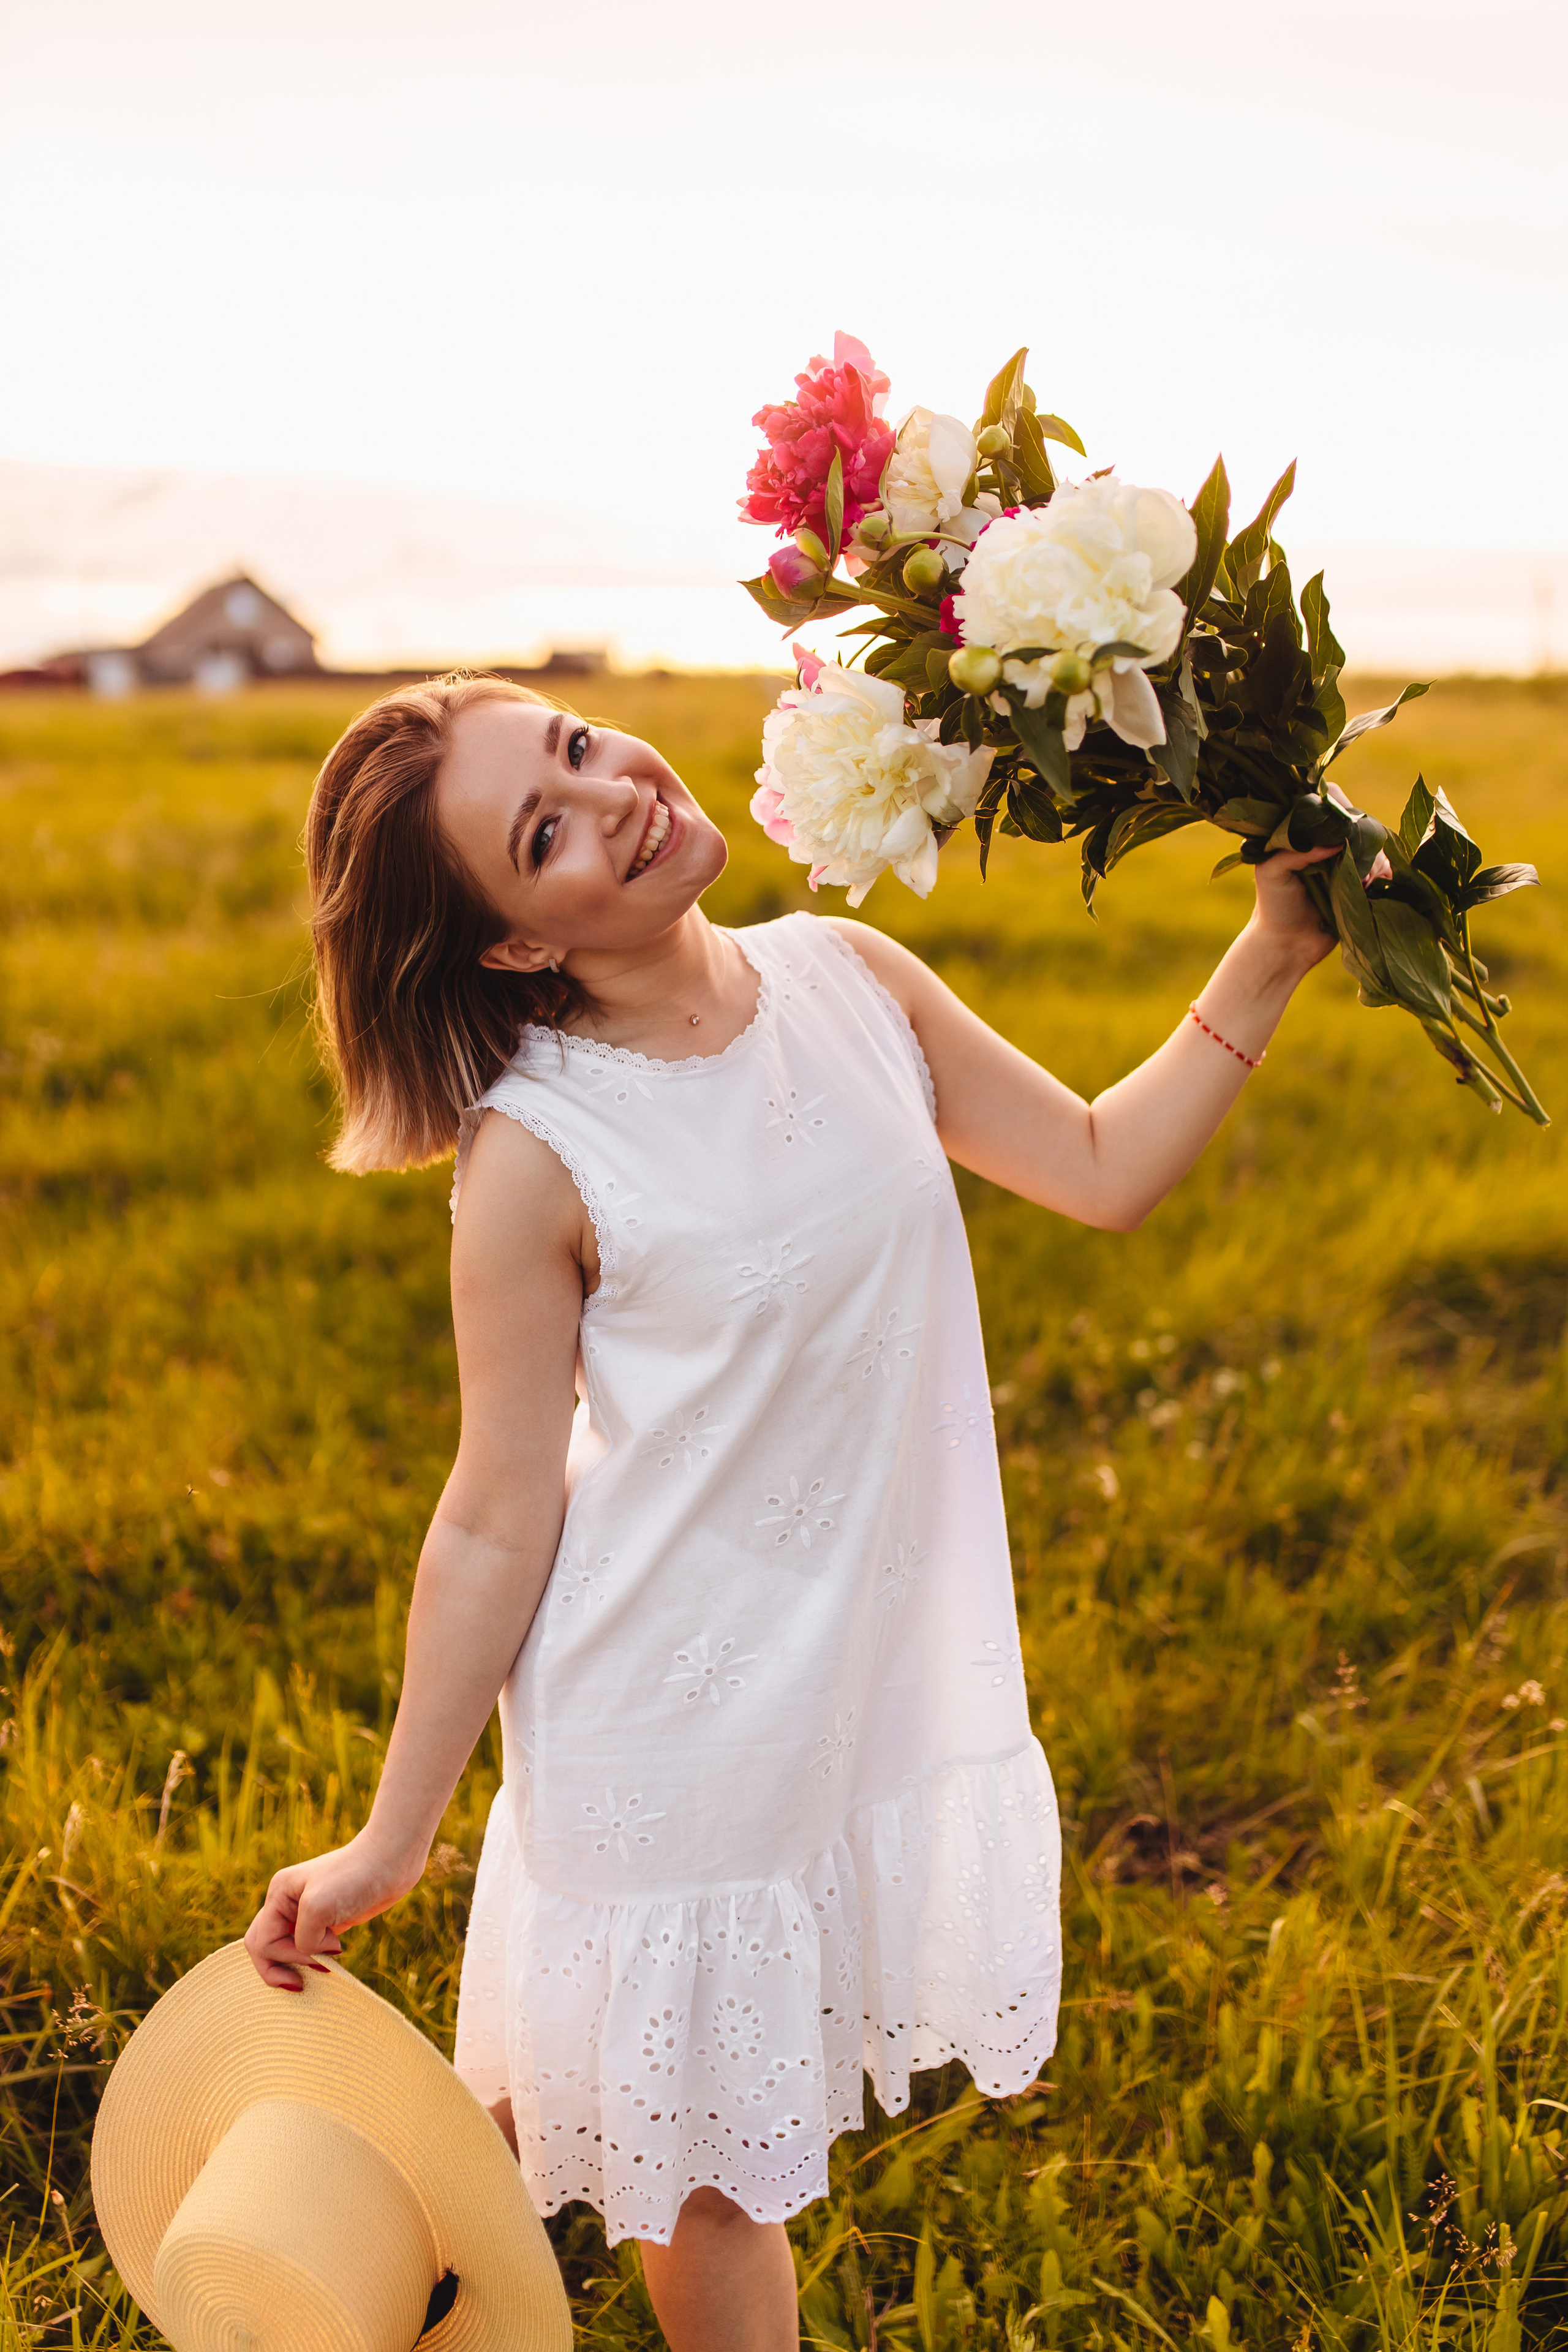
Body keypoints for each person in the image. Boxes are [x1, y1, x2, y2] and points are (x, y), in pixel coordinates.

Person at [244, 673, 1337, 2351]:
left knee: (599, 2098)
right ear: (518, 946)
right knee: (708, 2184)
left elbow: (1106, 1169)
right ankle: (309, 2271)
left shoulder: (852, 978)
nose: (612, 796)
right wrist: (396, 1836)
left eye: (578, 748)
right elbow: (492, 1514)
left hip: (843, 1682)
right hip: (661, 1728)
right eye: (544, 833)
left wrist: (1276, 946)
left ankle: (348, 2279)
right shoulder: (537, 1155)